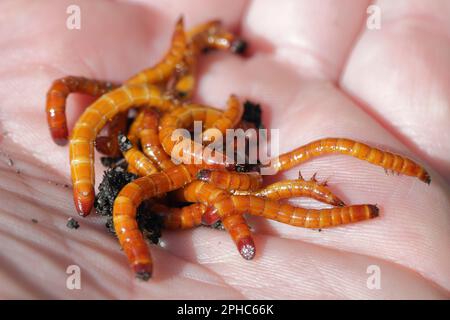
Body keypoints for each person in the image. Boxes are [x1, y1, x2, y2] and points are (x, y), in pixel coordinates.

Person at [0, 0, 448, 299]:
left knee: (317, 154)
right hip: (173, 159)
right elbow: (147, 179)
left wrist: (216, 149)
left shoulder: (194, 146)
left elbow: (207, 166)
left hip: (187, 155)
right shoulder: (152, 154)